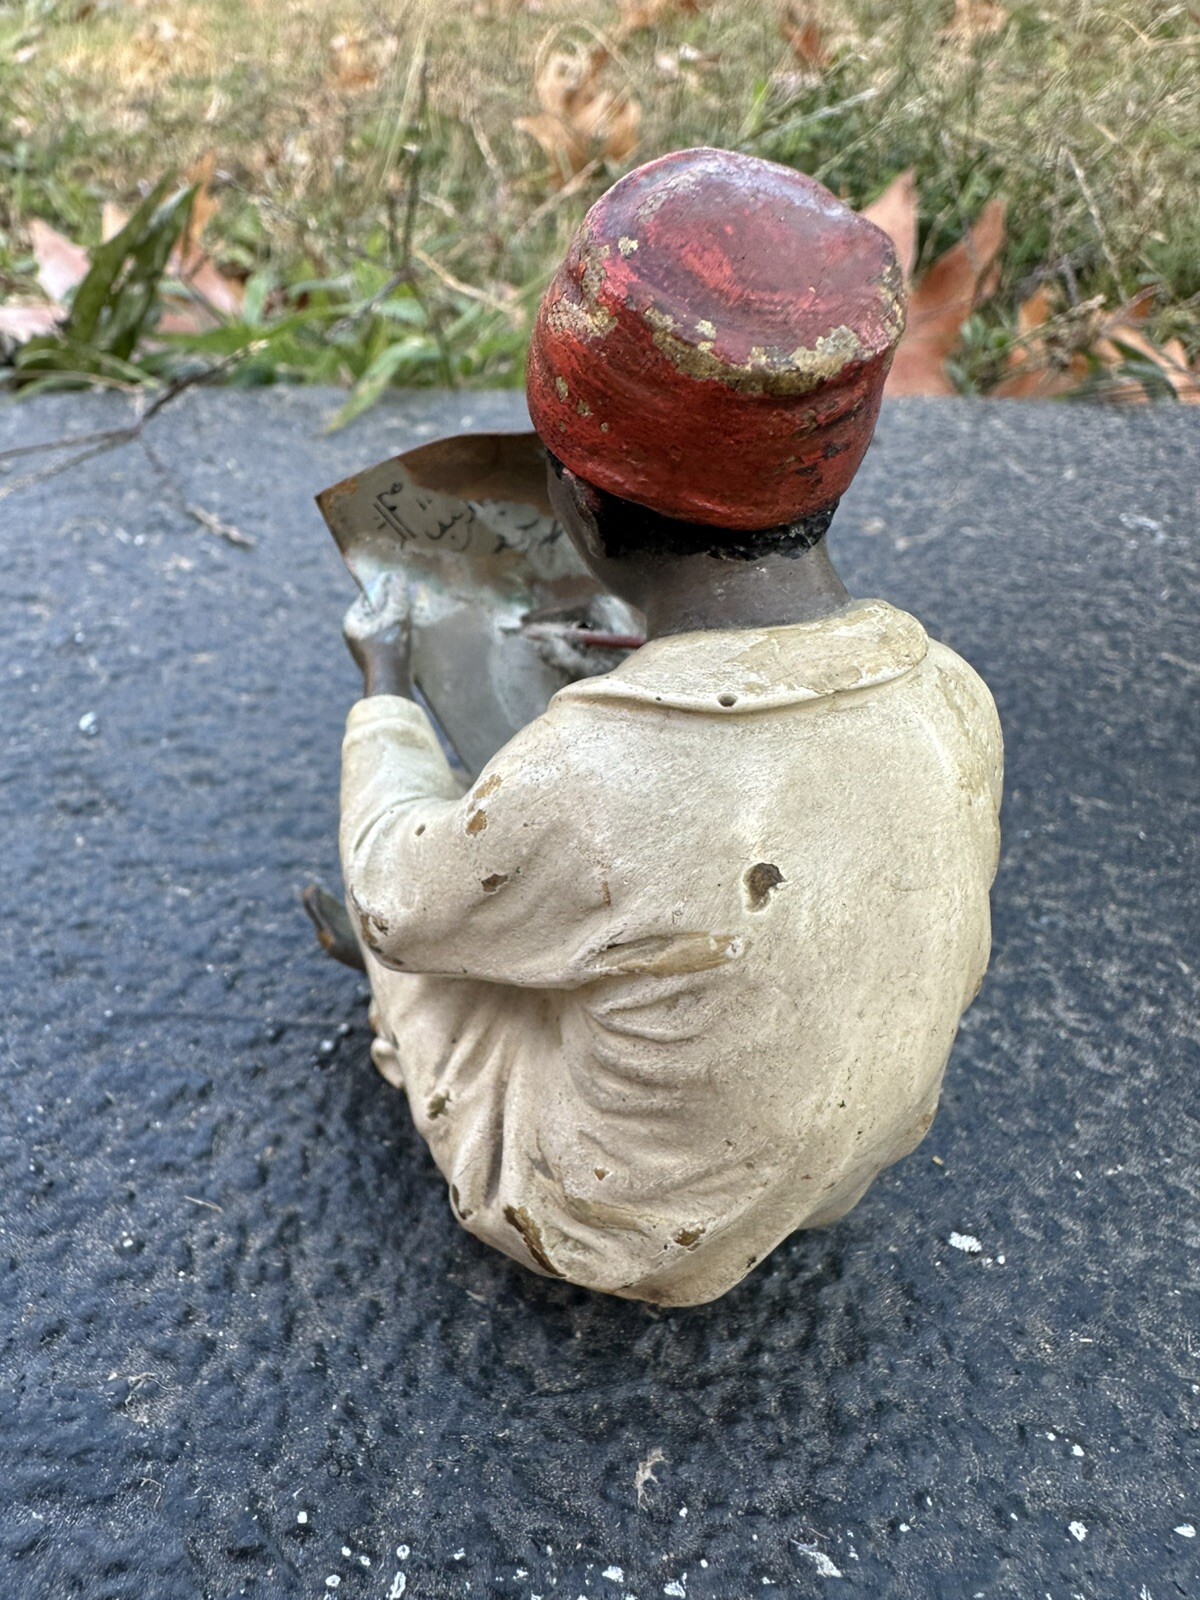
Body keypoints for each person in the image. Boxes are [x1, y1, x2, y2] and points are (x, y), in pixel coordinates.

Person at [325, 149, 1003, 1305]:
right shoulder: (953, 693)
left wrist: (386, 689)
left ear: (579, 500)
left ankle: (402, 1012)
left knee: (413, 930)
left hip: (619, 1218)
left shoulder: (590, 777)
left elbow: (401, 885)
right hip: (844, 1161)